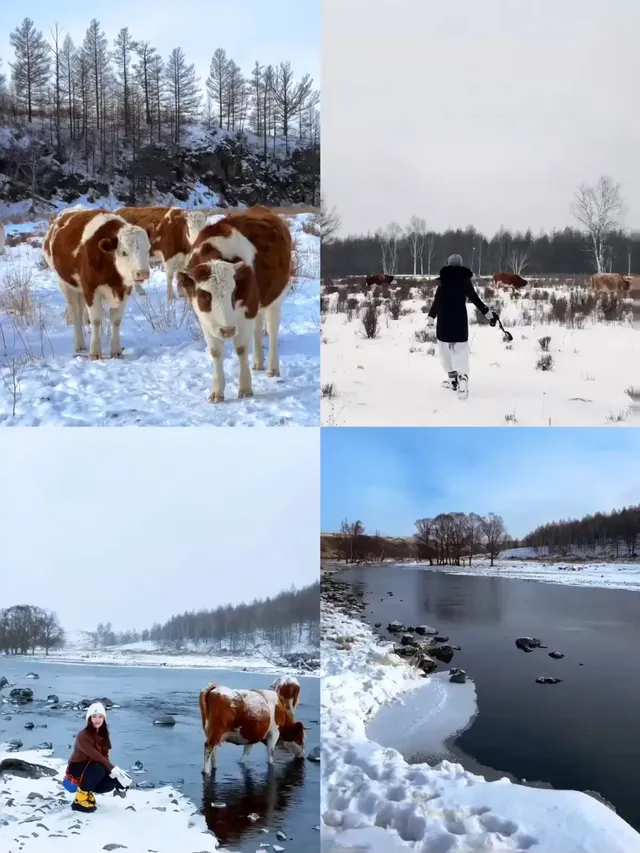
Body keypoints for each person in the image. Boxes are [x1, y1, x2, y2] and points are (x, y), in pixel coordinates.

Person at [427, 254, 499, 399]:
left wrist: (431, 317)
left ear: (447, 264)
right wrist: (489, 314)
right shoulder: (464, 281)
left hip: (444, 321)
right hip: (459, 319)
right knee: (460, 350)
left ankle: (452, 379)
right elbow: (475, 299)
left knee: (444, 350)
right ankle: (463, 380)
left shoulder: (443, 280)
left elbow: (437, 301)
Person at [66, 702, 132, 813]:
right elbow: (96, 756)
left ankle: (88, 792)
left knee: (111, 780)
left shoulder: (104, 734)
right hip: (76, 770)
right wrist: (112, 769)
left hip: (91, 769)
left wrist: (116, 777)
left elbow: (105, 756)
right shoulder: (82, 736)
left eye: (100, 716)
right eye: (94, 716)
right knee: (99, 769)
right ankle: (79, 800)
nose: (97, 719)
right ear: (89, 718)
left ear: (104, 718)